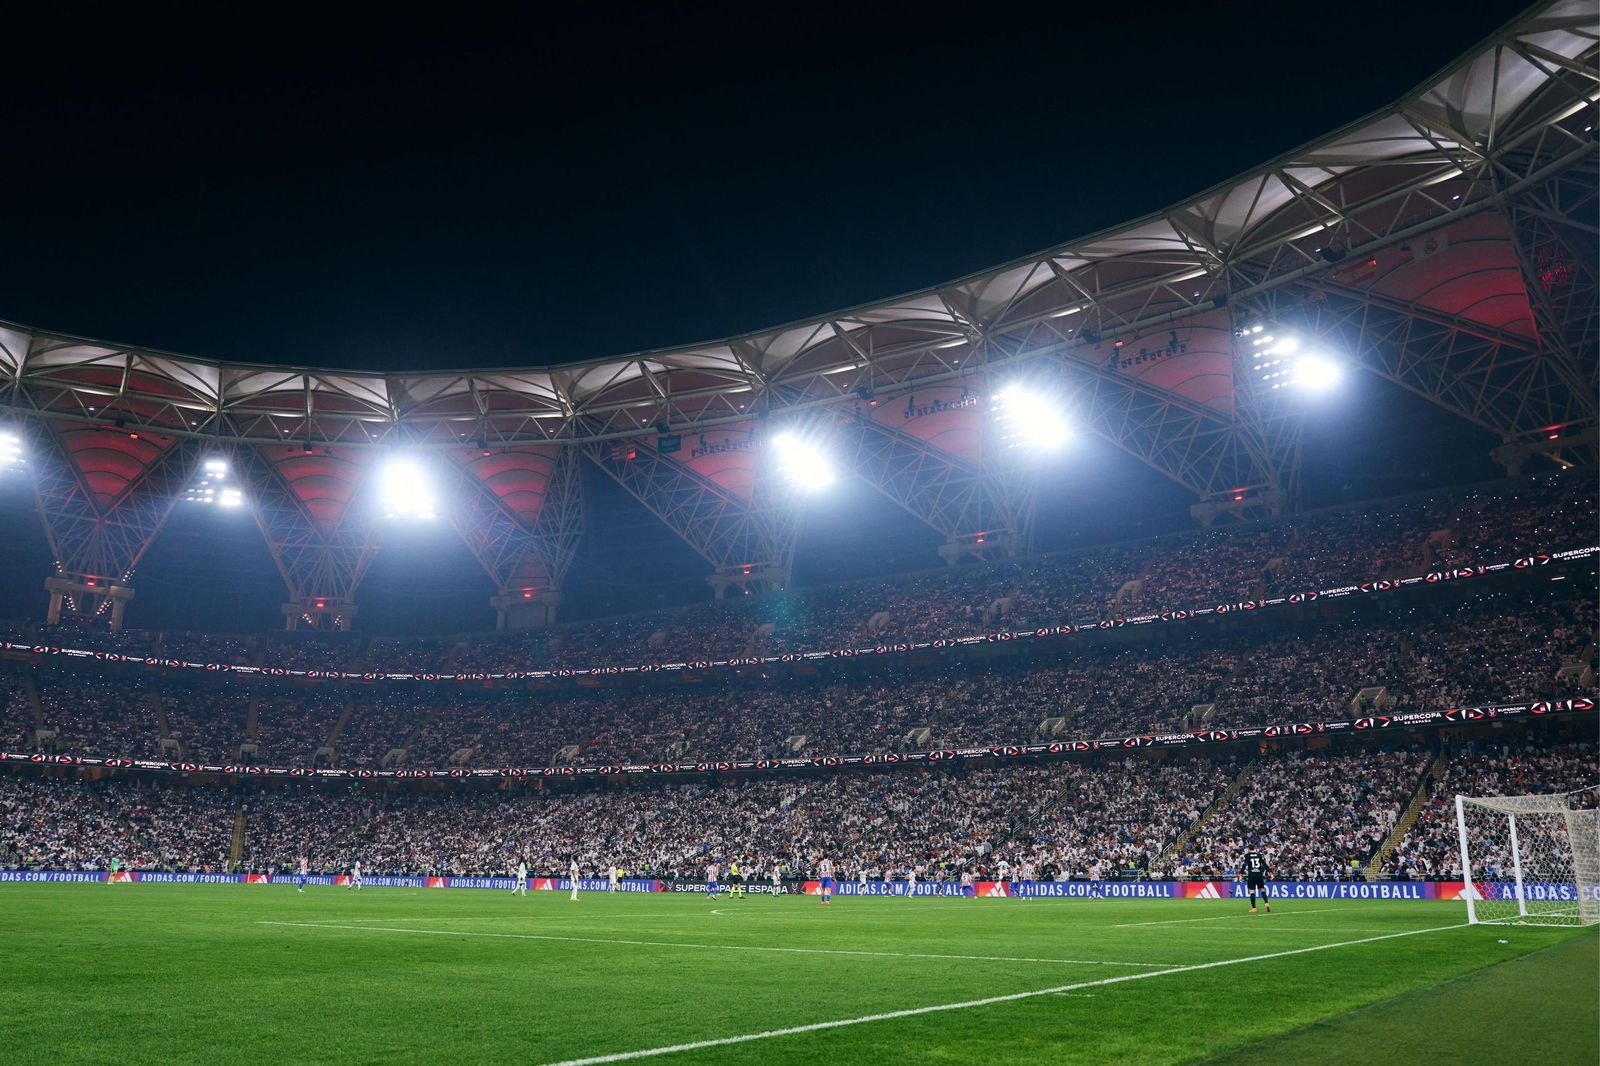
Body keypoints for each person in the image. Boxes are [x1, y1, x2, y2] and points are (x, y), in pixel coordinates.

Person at [1242, 843, 1271, 913]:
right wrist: (1269, 871)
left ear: (1249, 849)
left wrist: (1241, 873)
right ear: (1254, 848)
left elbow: (1244, 865)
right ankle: (1266, 903)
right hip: (1259, 874)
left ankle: (1254, 908)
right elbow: (1264, 864)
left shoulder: (1247, 856)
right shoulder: (1259, 855)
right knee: (1262, 889)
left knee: (1252, 891)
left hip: (1252, 875)